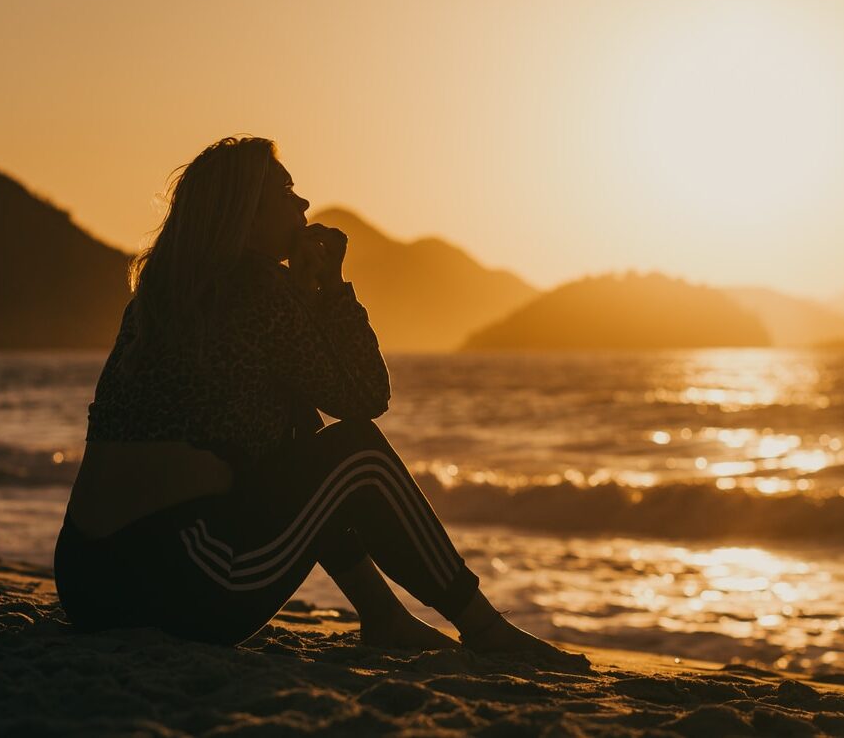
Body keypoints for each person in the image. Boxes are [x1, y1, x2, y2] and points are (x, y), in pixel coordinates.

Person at [55, 135, 585, 665]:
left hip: (85, 579)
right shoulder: (259, 286)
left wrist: (303, 299)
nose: (303, 205)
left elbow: (278, 428)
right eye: (285, 192)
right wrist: (331, 289)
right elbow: (366, 398)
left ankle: (384, 616)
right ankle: (484, 627)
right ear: (247, 212)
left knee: (300, 429)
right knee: (360, 455)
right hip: (184, 581)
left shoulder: (156, 300)